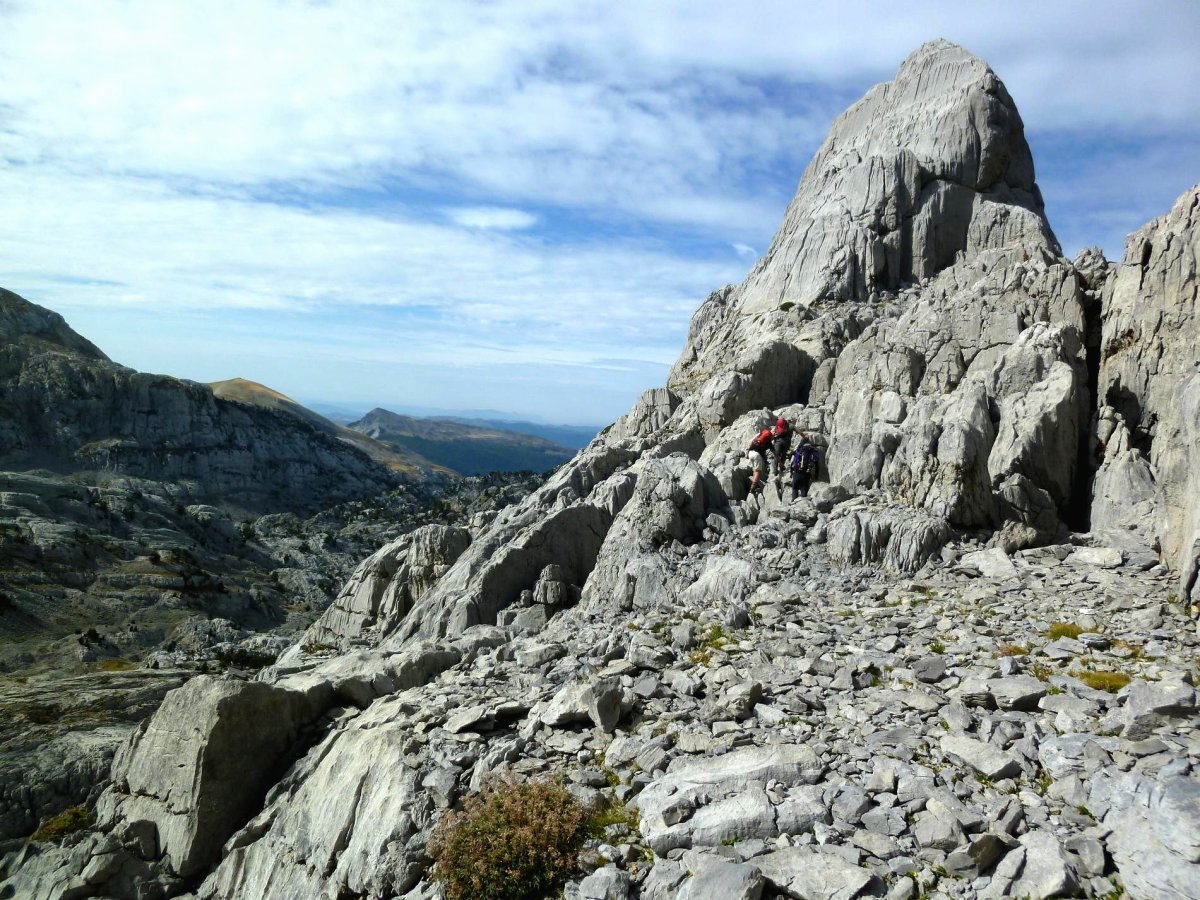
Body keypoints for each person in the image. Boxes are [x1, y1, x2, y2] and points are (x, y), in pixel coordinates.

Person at [790, 433, 821, 500]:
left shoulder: (799, 450)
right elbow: (817, 465)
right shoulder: (813, 452)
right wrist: (816, 476)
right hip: (806, 474)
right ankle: (803, 503)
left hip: (796, 473)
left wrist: (791, 473)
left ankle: (793, 502)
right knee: (804, 489)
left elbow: (793, 462)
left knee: (795, 488)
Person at [746, 425, 773, 495]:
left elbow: (750, 443)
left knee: (754, 469)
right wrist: (780, 463)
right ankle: (752, 488)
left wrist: (747, 453)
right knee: (758, 471)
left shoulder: (758, 437)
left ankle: (755, 484)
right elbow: (775, 453)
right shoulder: (768, 442)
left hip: (750, 453)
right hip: (757, 455)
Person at [771, 417, 792, 483]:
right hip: (785, 443)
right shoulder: (789, 426)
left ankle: (775, 471)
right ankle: (781, 470)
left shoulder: (778, 425)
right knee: (783, 455)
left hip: (778, 442)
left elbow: (774, 433)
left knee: (776, 456)